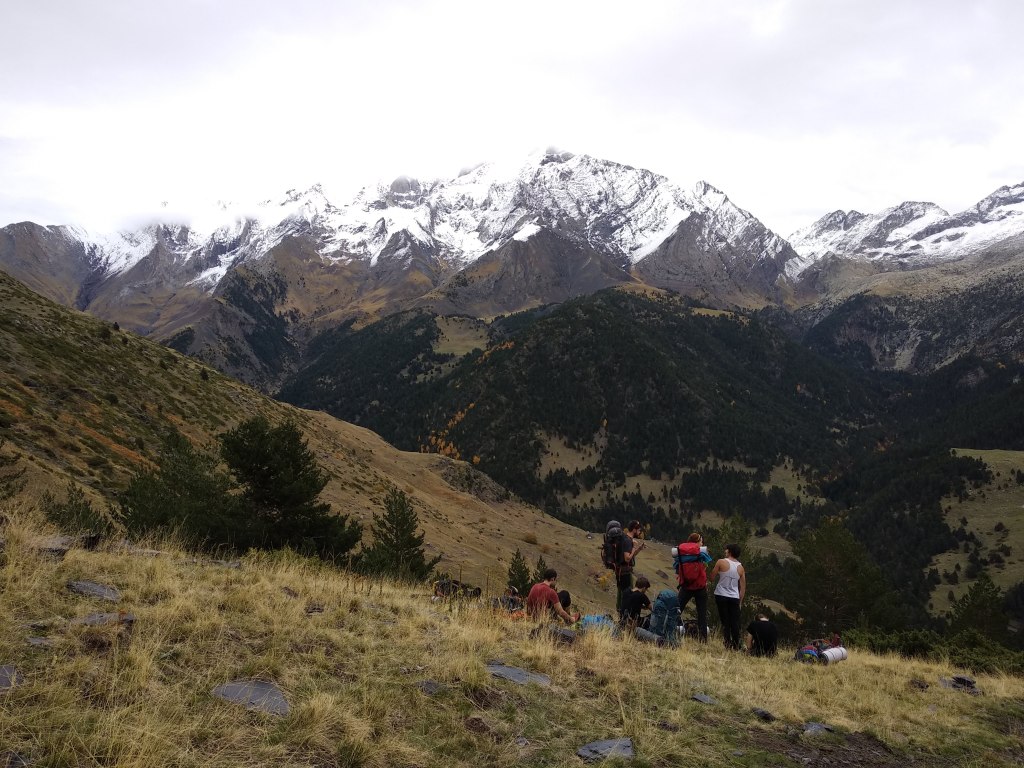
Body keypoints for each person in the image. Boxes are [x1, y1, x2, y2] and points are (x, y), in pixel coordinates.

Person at [675, 532, 711, 643]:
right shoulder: (700, 552)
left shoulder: (681, 550)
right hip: (700, 586)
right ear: (697, 541)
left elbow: (676, 566)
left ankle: (670, 630)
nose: (702, 542)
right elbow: (707, 563)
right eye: (701, 541)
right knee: (702, 613)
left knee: (676, 609)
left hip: (686, 586)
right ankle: (703, 639)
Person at [710, 543, 746, 650]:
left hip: (721, 594)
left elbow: (712, 577)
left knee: (725, 620)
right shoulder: (741, 567)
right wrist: (740, 602)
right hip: (734, 596)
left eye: (726, 550)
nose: (725, 551)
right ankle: (736, 644)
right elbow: (743, 587)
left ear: (729, 551)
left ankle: (727, 642)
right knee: (734, 621)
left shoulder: (721, 562)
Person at [616, 520, 646, 621]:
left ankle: (622, 616)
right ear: (634, 529)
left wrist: (638, 549)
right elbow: (627, 558)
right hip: (625, 573)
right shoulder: (628, 541)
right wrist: (634, 547)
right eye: (638, 530)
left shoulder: (625, 539)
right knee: (628, 595)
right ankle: (624, 618)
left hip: (621, 572)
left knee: (622, 594)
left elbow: (630, 557)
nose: (639, 532)